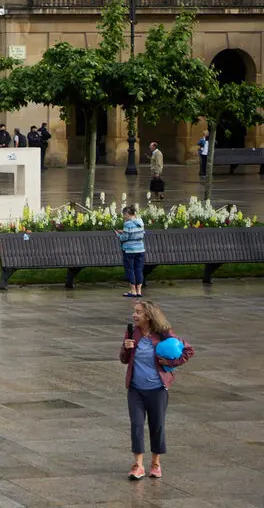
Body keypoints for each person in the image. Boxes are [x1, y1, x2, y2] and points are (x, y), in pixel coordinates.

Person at [120, 300, 194, 480]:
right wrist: (126, 348)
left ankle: (155, 463)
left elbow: (188, 350)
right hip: (135, 389)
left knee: (157, 426)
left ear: (148, 315)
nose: (134, 315)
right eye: (134, 311)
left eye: (138, 312)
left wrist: (170, 363)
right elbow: (123, 359)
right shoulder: (132, 332)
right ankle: (138, 465)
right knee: (137, 425)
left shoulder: (163, 334)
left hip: (157, 389)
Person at [117, 206, 146, 298]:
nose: (123, 217)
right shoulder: (140, 222)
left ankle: (133, 291)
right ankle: (139, 291)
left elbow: (125, 237)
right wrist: (125, 232)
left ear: (127, 214)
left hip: (129, 250)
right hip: (140, 249)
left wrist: (119, 235)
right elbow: (140, 234)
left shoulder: (127, 224)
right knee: (138, 269)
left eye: (124, 215)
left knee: (130, 269)